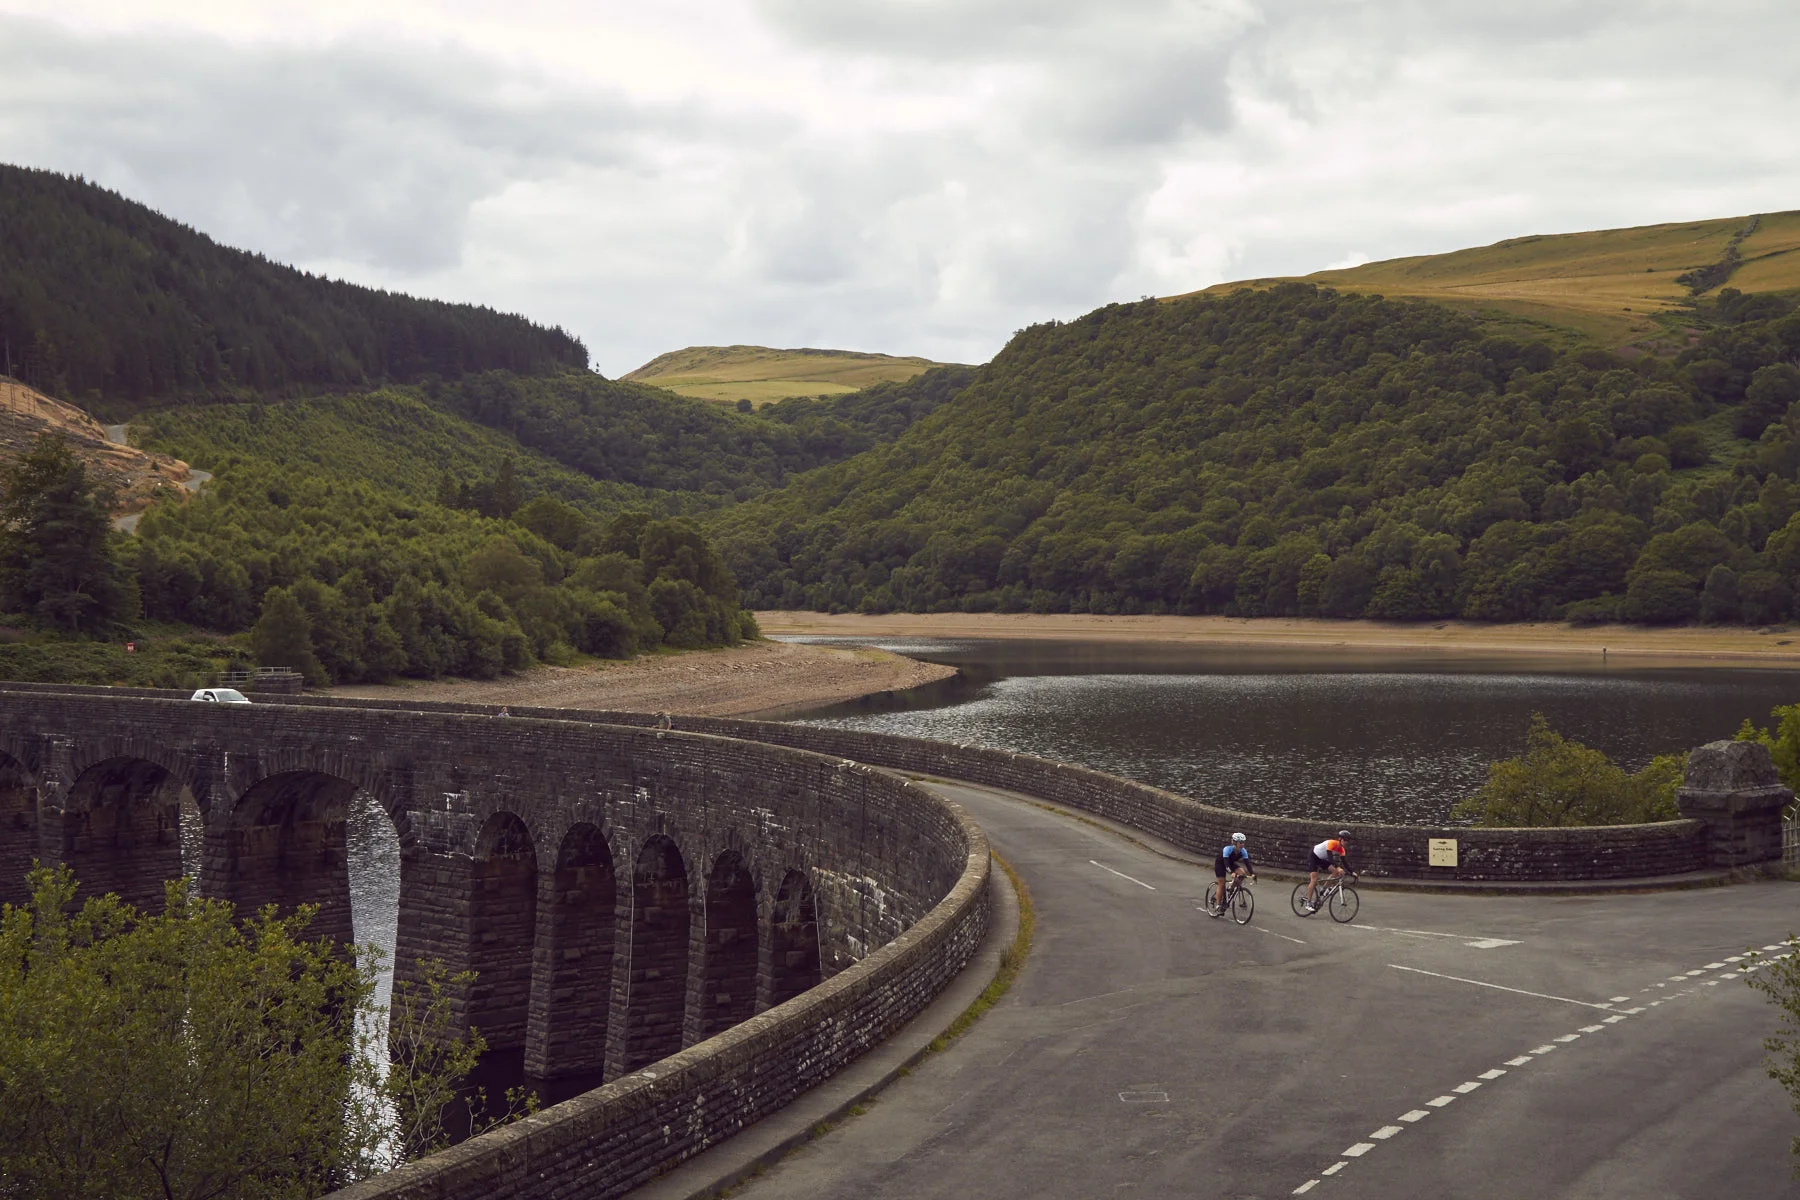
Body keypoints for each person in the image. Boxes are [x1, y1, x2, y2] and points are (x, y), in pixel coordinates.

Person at [1304, 830, 1351, 911]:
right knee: (1314, 879)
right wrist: (1338, 867)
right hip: (1314, 856)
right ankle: (1308, 902)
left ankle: (1323, 889)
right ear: (1339, 839)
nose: (1346, 842)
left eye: (1347, 840)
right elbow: (1330, 859)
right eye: (1345, 840)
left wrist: (1352, 872)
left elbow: (1345, 862)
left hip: (1322, 858)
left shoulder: (1341, 849)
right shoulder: (1332, 843)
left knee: (1335, 872)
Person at [1214, 832, 1255, 911]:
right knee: (1222, 884)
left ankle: (1231, 889)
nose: (1242, 844)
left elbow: (1247, 863)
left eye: (1243, 842)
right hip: (1221, 864)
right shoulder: (1227, 849)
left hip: (1231, 864)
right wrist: (1231, 872)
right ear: (1235, 842)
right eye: (1240, 843)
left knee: (1242, 873)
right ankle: (1218, 904)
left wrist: (1252, 873)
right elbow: (1226, 863)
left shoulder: (1243, 851)